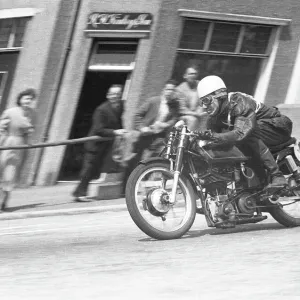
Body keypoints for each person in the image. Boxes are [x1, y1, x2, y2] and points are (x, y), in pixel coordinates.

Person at [196, 75, 292, 188]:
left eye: (206, 100)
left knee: (248, 134)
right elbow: (215, 141)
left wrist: (214, 136)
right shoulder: (214, 118)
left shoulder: (239, 102)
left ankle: (277, 175)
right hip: (257, 133)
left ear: (220, 95)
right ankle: (258, 187)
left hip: (279, 127)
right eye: (201, 103)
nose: (204, 106)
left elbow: (240, 134)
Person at [123, 79, 181, 190]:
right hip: (144, 135)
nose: (169, 92)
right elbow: (137, 114)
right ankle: (125, 187)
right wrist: (141, 128)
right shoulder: (153, 101)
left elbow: (174, 119)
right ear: (164, 90)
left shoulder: (174, 105)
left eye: (172, 90)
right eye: (168, 89)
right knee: (134, 160)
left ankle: (143, 183)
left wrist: (164, 125)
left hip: (158, 137)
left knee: (154, 160)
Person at [72, 84, 127, 201]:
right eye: (112, 94)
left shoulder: (121, 105)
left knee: (94, 170)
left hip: (105, 144)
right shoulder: (101, 110)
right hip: (94, 145)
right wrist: (115, 132)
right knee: (88, 169)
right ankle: (79, 194)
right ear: (108, 95)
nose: (115, 96)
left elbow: (118, 120)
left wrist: (122, 129)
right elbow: (98, 129)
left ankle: (81, 192)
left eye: (117, 94)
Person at [0, 88, 37, 211]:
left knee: (11, 174)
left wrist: (30, 136)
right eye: (26, 98)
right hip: (8, 143)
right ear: (20, 99)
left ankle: (4, 201)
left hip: (21, 145)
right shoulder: (10, 112)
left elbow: (32, 129)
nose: (28, 101)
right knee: (4, 171)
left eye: (30, 99)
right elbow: (1, 127)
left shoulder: (32, 113)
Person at [176, 66, 207, 131]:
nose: (193, 76)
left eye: (195, 74)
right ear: (185, 76)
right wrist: (195, 114)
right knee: (192, 120)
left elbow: (204, 100)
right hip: (184, 116)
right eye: (191, 74)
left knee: (207, 118)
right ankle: (188, 139)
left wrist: (200, 109)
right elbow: (182, 109)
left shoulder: (201, 85)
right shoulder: (179, 89)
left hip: (199, 114)